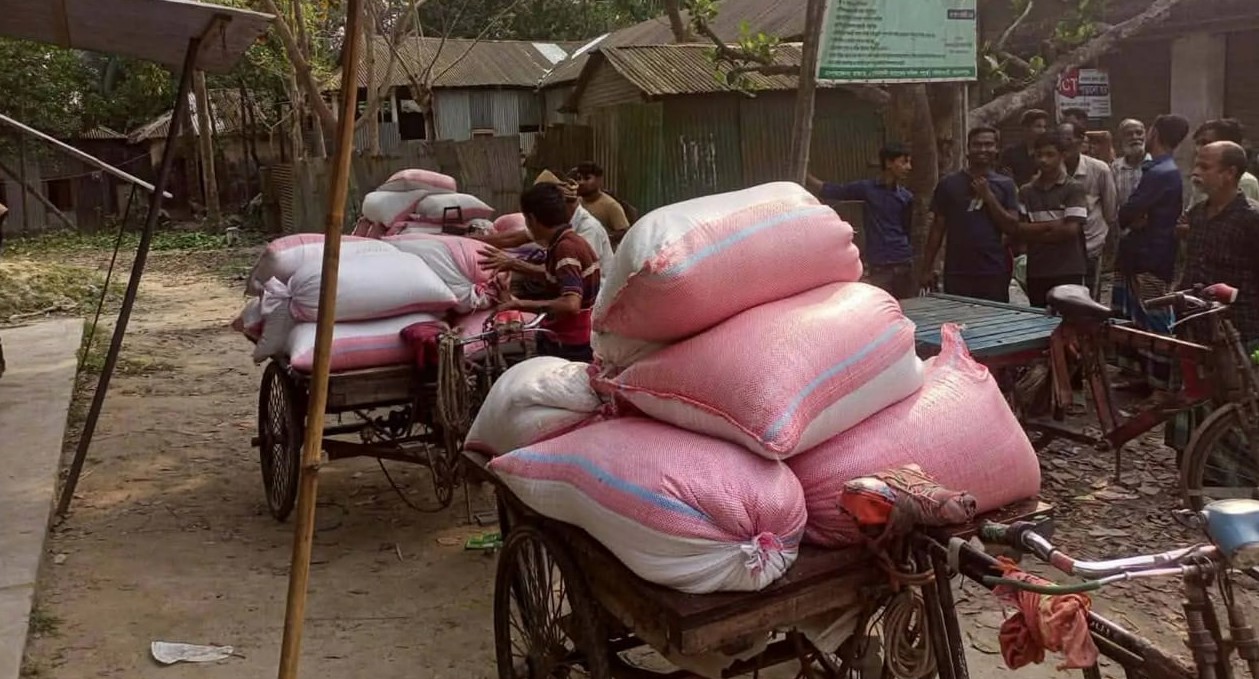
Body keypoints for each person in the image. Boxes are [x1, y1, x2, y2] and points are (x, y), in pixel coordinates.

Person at [480, 183, 600, 362]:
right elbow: (558, 278)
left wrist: (518, 304)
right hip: (578, 338)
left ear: (532, 219)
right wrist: (514, 265)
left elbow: (570, 304)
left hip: (567, 343)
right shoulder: (570, 240)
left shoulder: (565, 249)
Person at [1113, 113, 1189, 389]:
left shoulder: (1160, 172)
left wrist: (1133, 216)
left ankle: (1161, 384)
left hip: (1151, 258)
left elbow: (1127, 212)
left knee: (1155, 320)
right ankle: (1142, 377)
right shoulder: (1161, 169)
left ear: (1154, 133)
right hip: (1142, 255)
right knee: (1138, 318)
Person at [920, 127, 1021, 302]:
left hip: (994, 269)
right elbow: (937, 228)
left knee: (992, 322)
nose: (983, 149)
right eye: (977, 145)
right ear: (968, 148)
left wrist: (988, 197)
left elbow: (1012, 226)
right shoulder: (948, 184)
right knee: (959, 323)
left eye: (988, 145)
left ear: (996, 148)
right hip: (957, 271)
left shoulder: (1006, 185)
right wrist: (927, 269)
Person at [806, 143, 916, 299]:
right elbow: (835, 190)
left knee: (908, 307)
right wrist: (807, 176)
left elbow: (907, 228)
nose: (908, 167)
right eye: (904, 161)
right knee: (881, 305)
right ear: (889, 163)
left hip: (903, 261)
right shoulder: (867, 189)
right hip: (880, 264)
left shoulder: (906, 197)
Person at [1182, 141, 1259, 350]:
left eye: (1205, 167)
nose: (1195, 172)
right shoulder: (1197, 214)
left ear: (1230, 173)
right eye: (1196, 165)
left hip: (1240, 330)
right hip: (1195, 325)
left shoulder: (1251, 218)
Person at [471, 170, 613, 281]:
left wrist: (513, 264)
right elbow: (513, 238)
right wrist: (470, 241)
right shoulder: (553, 224)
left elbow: (570, 284)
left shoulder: (587, 230)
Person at [1015, 132, 1090, 307]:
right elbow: (1019, 230)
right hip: (1038, 270)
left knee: (1070, 319)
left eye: (1050, 155)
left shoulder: (1073, 188)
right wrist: (1055, 226)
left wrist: (1035, 231)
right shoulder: (1026, 191)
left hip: (1068, 268)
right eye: (1039, 155)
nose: (1044, 160)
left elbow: (1071, 230)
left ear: (1062, 156)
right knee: (1039, 320)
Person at [1059, 122, 1118, 300]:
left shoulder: (1099, 169)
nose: (1064, 144)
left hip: (1091, 243)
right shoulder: (1051, 168)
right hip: (1060, 243)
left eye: (1068, 139)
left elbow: (1110, 210)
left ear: (1080, 141)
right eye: (1060, 139)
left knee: (1090, 296)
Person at [1186, 119, 1259, 207]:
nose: (1199, 149)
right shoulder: (1202, 177)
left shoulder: (1245, 182)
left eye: (1206, 143)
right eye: (1198, 143)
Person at [570, 161, 631, 245]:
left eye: (587, 178)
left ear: (599, 180)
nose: (581, 183)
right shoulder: (577, 202)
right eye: (579, 178)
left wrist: (600, 238)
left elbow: (624, 232)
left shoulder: (611, 205)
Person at [999, 109, 1051, 187]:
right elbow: (1005, 178)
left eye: (1044, 127)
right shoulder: (1010, 153)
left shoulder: (1049, 153)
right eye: (1038, 126)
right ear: (1026, 128)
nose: (1043, 131)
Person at [1112, 118, 1150, 206]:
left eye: (1139, 133)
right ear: (1121, 139)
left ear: (1145, 136)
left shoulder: (1156, 165)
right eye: (1129, 134)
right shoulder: (1114, 168)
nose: (1135, 137)